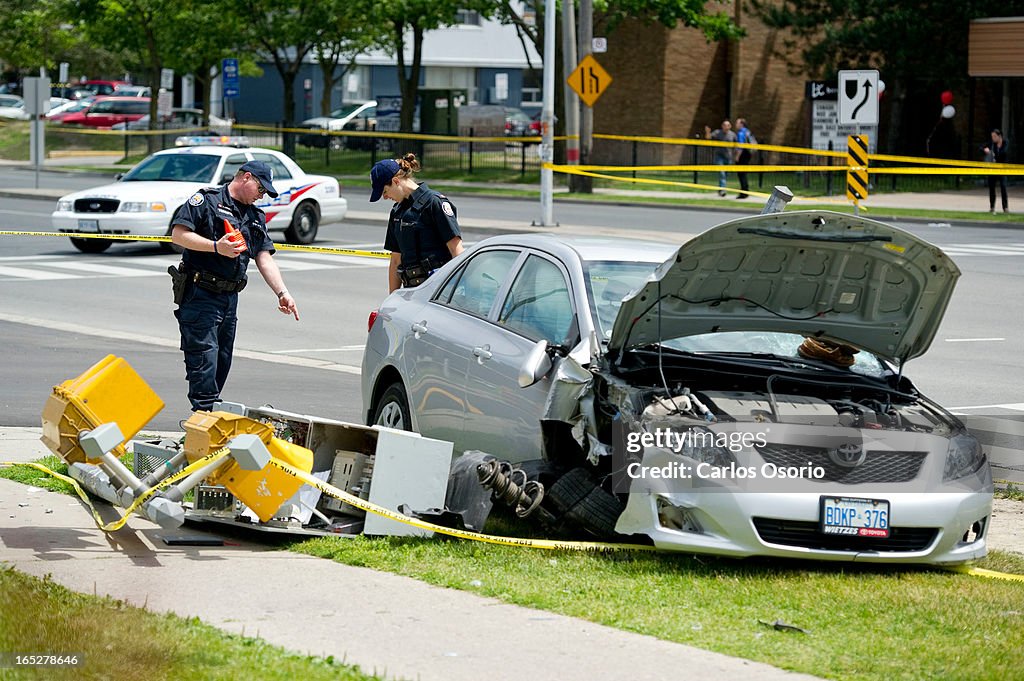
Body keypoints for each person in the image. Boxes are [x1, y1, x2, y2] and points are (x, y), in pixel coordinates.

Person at [169, 160, 299, 412]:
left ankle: (209, 416)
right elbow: (179, 234)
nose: (261, 197)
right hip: (200, 294)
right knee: (204, 361)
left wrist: (283, 293)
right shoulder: (206, 200)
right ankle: (203, 421)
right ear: (247, 178)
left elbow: (263, 256)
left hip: (229, 297)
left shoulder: (254, 215)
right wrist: (217, 247)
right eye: (261, 190)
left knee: (221, 361)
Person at [370, 153, 465, 293]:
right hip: (411, 293)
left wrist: (456, 293)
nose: (385, 197)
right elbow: (396, 261)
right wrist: (392, 299)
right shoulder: (397, 212)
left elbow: (456, 250)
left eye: (385, 191)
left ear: (396, 181)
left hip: (438, 293)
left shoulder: (435, 203)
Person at [704, 119, 736, 196]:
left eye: (728, 125)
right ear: (722, 126)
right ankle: (722, 191)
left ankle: (721, 188)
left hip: (728, 157)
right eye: (724, 125)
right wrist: (707, 132)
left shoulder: (733, 135)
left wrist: (735, 156)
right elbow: (708, 138)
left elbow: (737, 145)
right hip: (719, 156)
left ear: (730, 126)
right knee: (722, 174)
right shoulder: (717, 133)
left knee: (725, 175)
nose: (726, 127)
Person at [982, 129, 1009, 214]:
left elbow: (1004, 152)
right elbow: (981, 147)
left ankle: (1005, 207)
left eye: (994, 136)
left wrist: (994, 153)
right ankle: (992, 207)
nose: (993, 138)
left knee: (1003, 187)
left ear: (999, 136)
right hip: (992, 169)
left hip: (1002, 169)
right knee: (992, 188)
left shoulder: (1005, 142)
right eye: (992, 136)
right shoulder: (991, 144)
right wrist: (985, 149)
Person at [734, 118, 756, 199]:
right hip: (748, 154)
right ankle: (745, 191)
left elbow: (740, 146)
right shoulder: (747, 131)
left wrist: (737, 157)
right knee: (744, 174)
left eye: (737, 123)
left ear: (741, 124)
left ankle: (743, 193)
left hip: (742, 154)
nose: (736, 125)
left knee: (741, 174)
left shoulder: (741, 133)